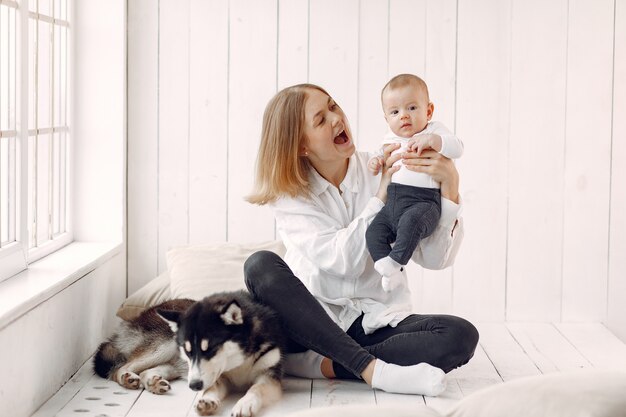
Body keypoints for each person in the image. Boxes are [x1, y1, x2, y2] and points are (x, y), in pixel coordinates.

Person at [244, 83, 478, 397]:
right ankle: (373, 370)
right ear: (301, 146)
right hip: (312, 326)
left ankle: (325, 365)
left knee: (459, 335)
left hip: (374, 322)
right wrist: (382, 195)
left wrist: (450, 189)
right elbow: (346, 263)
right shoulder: (291, 198)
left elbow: (435, 259)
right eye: (321, 120)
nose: (336, 118)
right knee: (259, 265)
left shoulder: (393, 164)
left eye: (333, 106)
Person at [366, 74, 464, 292]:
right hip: (393, 202)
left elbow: (458, 147)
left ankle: (396, 262)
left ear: (428, 111)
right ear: (386, 119)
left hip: (424, 203)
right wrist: (375, 161)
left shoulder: (433, 130)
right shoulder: (389, 138)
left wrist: (434, 141)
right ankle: (386, 267)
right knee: (373, 232)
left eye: (411, 108)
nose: (403, 116)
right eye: (395, 112)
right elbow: (379, 154)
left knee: (411, 223)